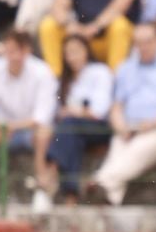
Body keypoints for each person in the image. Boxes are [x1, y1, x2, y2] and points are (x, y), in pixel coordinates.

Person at [87, 23, 156, 204]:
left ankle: (98, 181)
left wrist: (153, 124)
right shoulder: (126, 68)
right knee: (119, 154)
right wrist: (120, 126)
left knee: (134, 153)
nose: (143, 47)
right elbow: (117, 106)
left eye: (148, 41)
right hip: (129, 127)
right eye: (138, 43)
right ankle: (107, 202)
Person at [0, 28, 54, 203]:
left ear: (28, 50)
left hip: (30, 131)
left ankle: (42, 191)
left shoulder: (43, 72)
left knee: (44, 133)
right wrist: (2, 126)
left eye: (19, 50)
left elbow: (42, 117)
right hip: (0, 131)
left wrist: (10, 126)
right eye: (10, 50)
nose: (14, 56)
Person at [42, 31, 112, 201]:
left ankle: (51, 169)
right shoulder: (64, 81)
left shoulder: (100, 72)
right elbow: (53, 113)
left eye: (76, 51)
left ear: (86, 50)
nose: (72, 57)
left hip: (99, 128)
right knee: (72, 137)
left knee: (69, 125)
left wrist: (76, 111)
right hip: (73, 130)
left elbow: (99, 111)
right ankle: (71, 196)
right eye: (68, 53)